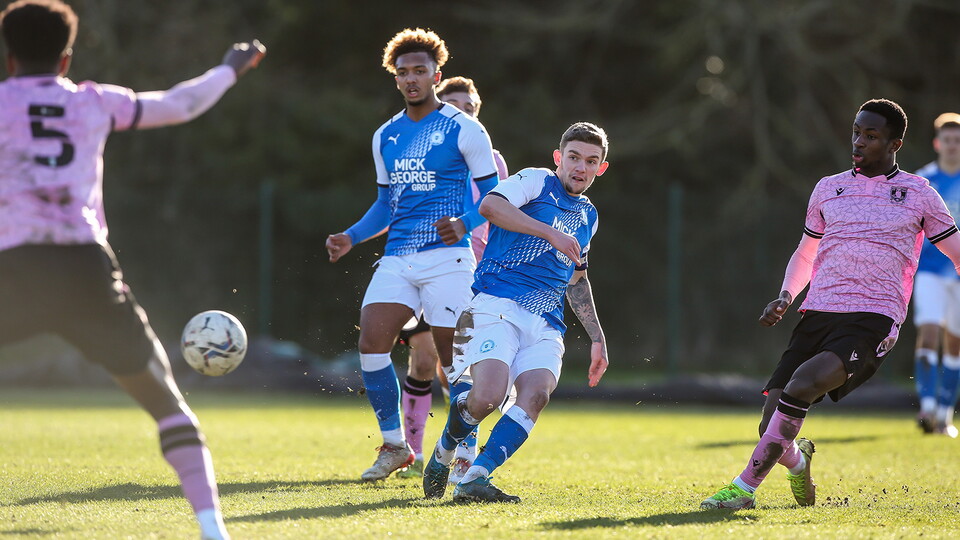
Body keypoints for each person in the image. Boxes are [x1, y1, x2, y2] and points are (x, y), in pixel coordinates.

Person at [0, 1, 264, 538]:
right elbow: (181, 104)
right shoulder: (95, 101)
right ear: (66, 59)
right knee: (167, 404)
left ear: (9, 59)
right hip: (84, 268)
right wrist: (229, 69)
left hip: (13, 268)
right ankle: (212, 529)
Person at [700, 99, 960, 510]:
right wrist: (787, 295)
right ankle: (799, 463)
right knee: (770, 425)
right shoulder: (828, 188)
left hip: (873, 317)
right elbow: (806, 252)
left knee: (803, 384)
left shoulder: (919, 194)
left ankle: (743, 489)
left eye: (871, 136)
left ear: (895, 144)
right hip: (818, 311)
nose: (859, 142)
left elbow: (957, 252)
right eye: (856, 132)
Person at [325, 28, 499, 482]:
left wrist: (465, 223)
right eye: (403, 72)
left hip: (449, 258)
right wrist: (351, 236)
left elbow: (494, 194)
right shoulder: (386, 135)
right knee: (371, 343)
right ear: (396, 78)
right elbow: (386, 204)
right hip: (398, 257)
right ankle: (395, 446)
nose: (411, 79)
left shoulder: (465, 128)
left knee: (454, 359)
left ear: (436, 75)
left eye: (420, 71)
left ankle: (465, 452)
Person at [422, 121, 611, 503]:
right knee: (486, 397)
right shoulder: (537, 180)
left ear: (601, 168)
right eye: (574, 157)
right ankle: (444, 450)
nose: (581, 167)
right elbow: (490, 206)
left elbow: (577, 279)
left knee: (537, 395)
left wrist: (597, 337)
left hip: (546, 322)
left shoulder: (589, 216)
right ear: (558, 158)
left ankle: (476, 477)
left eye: (591, 161)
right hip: (497, 304)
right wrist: (549, 232)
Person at [395, 75, 509, 481]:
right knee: (423, 358)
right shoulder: (420, 155)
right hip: (426, 266)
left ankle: (463, 454)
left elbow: (499, 215)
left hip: (473, 275)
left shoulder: (492, 161)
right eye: (455, 106)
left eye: (470, 108)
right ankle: (410, 453)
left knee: (463, 366)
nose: (463, 114)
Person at [912, 113, 960, 438]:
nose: (952, 146)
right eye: (947, 140)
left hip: (959, 274)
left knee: (955, 344)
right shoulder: (923, 181)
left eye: (958, 140)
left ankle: (945, 415)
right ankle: (927, 409)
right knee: (928, 333)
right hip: (929, 270)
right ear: (937, 143)